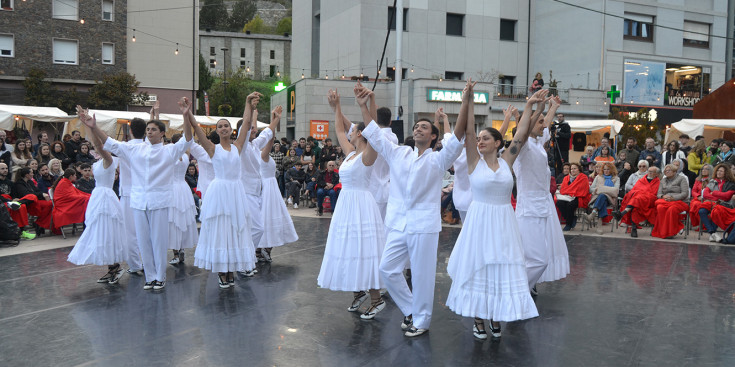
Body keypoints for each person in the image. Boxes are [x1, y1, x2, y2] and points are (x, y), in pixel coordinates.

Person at [361, 78, 466, 338]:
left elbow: (459, 137)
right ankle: (410, 309)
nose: (418, 129)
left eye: (424, 128)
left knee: (421, 276)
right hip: (397, 223)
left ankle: (422, 320)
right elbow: (374, 134)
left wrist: (466, 102)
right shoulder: (399, 153)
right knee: (387, 269)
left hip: (423, 226)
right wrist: (364, 105)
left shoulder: (438, 159)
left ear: (433, 137)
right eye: (416, 126)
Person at [447, 82, 540, 340]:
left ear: (498, 142)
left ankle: (495, 314)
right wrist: (469, 100)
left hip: (503, 221)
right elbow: (467, 129)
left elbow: (521, 133)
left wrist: (530, 105)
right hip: (479, 220)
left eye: (485, 138)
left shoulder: (507, 159)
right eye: (479, 139)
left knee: (500, 266)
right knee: (480, 265)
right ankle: (478, 316)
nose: (480, 141)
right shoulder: (473, 161)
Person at [85, 101, 193, 291]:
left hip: (159, 202)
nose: (149, 132)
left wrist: (186, 116)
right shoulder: (135, 149)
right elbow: (111, 143)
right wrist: (95, 127)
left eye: (153, 129)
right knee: (143, 241)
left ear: (161, 133)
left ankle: (160, 276)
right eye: (148, 129)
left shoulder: (169, 151)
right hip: (138, 202)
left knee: (158, 241)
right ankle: (150, 277)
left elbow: (187, 139)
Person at [319, 88, 388, 319]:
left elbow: (375, 133)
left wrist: (364, 106)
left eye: (353, 130)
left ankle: (376, 299)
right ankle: (359, 292)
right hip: (347, 205)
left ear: (360, 134)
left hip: (361, 205)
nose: (349, 132)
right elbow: (338, 128)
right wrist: (336, 106)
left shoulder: (369, 154)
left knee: (365, 250)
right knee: (348, 248)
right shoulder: (349, 153)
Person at [189, 93, 258, 288]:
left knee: (235, 229)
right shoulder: (212, 149)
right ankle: (222, 270)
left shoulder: (237, 146)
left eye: (226, 125)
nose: (223, 128)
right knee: (221, 230)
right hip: (219, 193)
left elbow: (245, 123)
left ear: (230, 129)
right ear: (217, 131)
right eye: (220, 126)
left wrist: (247, 104)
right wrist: (188, 115)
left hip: (236, 192)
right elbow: (197, 130)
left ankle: (231, 268)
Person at [513, 93, 570, 295]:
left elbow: (543, 125)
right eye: (540, 122)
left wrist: (552, 107)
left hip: (543, 207)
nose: (544, 125)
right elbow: (524, 129)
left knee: (539, 256)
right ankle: (517, 291)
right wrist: (533, 107)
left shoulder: (537, 144)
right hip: (528, 209)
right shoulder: (524, 146)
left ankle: (526, 288)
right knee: (537, 260)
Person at [67, 108, 127, 285]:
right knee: (100, 233)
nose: (95, 146)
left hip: (107, 198)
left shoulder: (109, 160)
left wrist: (91, 126)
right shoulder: (97, 163)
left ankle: (116, 267)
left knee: (108, 232)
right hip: (98, 197)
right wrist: (85, 124)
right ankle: (111, 268)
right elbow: (95, 144)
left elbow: (99, 145)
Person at [237, 107, 280, 264]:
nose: (254, 130)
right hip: (245, 193)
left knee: (256, 229)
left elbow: (268, 133)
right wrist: (248, 106)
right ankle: (245, 258)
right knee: (253, 228)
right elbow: (245, 128)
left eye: (254, 128)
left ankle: (246, 257)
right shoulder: (241, 148)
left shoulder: (255, 145)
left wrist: (276, 118)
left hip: (256, 193)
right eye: (251, 128)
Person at [257, 106, 298, 262]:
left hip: (271, 188)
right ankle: (260, 250)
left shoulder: (259, 155)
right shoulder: (262, 155)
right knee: (265, 218)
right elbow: (270, 139)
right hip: (267, 189)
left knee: (271, 218)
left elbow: (268, 139)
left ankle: (263, 250)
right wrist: (275, 120)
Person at [166, 133, 199, 265]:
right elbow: (189, 142)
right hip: (183, 188)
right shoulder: (186, 156)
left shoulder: (170, 155)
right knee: (182, 218)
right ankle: (181, 248)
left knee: (173, 219)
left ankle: (176, 251)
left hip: (172, 188)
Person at [613, 166, 661, 237]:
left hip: (650, 200)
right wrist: (641, 193)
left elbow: (655, 193)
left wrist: (643, 193)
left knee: (637, 198)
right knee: (635, 206)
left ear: (656, 174)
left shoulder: (658, 182)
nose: (649, 173)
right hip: (638, 200)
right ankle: (634, 228)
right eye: (649, 171)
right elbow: (634, 189)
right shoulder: (641, 180)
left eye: (651, 172)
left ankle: (622, 213)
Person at [696, 164, 735, 242]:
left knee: (716, 211)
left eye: (721, 171)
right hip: (713, 202)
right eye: (718, 170)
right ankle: (712, 233)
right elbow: (706, 194)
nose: (718, 172)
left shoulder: (730, 183)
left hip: (725, 204)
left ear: (726, 173)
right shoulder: (712, 181)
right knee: (701, 211)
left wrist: (713, 193)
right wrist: (718, 198)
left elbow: (727, 196)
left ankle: (712, 233)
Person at [651, 164, 689, 239]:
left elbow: (685, 193)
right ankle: (663, 231)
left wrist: (673, 198)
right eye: (665, 171)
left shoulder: (682, 179)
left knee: (671, 210)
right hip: (665, 200)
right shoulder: (663, 180)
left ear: (674, 171)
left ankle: (671, 232)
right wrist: (663, 196)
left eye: (669, 170)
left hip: (678, 201)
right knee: (659, 207)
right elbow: (659, 194)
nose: (667, 172)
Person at [11, 166, 53, 235]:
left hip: (35, 201)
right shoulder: (19, 184)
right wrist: (41, 194)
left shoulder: (30, 182)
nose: (33, 174)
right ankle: (39, 223)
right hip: (27, 203)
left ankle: (39, 222)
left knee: (51, 204)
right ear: (27, 175)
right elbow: (26, 194)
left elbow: (38, 191)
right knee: (42, 201)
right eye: (31, 173)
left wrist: (42, 194)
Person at [556, 162, 590, 231]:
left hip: (579, 197)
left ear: (579, 170)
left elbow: (583, 189)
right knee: (559, 203)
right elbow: (563, 189)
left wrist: (570, 191)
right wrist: (570, 192)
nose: (572, 170)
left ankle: (568, 224)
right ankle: (572, 218)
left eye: (575, 168)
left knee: (570, 205)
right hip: (567, 196)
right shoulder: (566, 178)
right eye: (571, 169)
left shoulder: (583, 177)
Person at [585, 162, 619, 226]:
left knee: (602, 195)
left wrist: (600, 189)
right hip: (597, 198)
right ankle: (599, 222)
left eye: (608, 169)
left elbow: (616, 191)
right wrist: (606, 190)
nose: (606, 171)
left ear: (612, 170)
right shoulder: (598, 177)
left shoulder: (616, 178)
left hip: (610, 199)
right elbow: (591, 189)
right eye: (604, 169)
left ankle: (593, 214)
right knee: (602, 197)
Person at [688, 164, 713, 230]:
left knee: (699, 205)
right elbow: (693, 191)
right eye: (702, 169)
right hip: (697, 198)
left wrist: (706, 197)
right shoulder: (698, 179)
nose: (703, 170)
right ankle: (702, 224)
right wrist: (698, 196)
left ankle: (704, 225)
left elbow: (713, 192)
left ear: (710, 171)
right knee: (695, 204)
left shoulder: (713, 180)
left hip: (708, 199)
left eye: (706, 169)